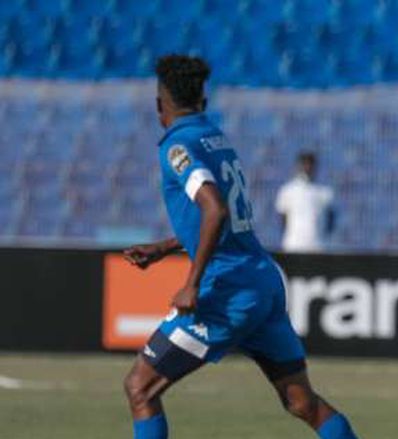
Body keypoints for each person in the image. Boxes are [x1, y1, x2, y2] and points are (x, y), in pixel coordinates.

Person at [121, 55, 358, 439]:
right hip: (261, 281)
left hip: (226, 289)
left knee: (139, 388)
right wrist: (166, 247)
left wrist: (192, 284)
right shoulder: (216, 138)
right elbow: (220, 217)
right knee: (302, 402)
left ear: (159, 106)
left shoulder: (177, 147)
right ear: (204, 102)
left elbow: (214, 209)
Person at [275, 152, 335, 252]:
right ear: (298, 166)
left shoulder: (325, 192)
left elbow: (330, 221)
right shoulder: (287, 190)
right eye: (304, 164)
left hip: (318, 246)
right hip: (293, 245)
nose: (307, 168)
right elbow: (283, 218)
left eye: (310, 165)